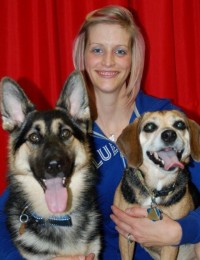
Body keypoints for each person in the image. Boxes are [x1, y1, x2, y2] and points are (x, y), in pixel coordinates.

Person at [1, 5, 200, 260]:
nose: (108, 61)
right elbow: (5, 216)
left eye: (120, 51)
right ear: (82, 55)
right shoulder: (65, 134)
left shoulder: (167, 121)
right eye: (97, 50)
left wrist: (180, 231)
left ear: (133, 58)